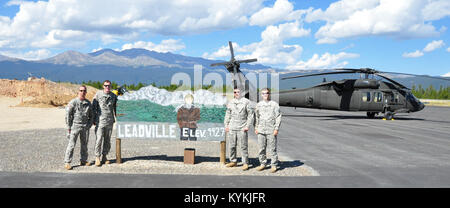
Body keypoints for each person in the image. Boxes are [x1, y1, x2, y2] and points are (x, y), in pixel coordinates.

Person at [64, 85, 94, 170]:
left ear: (86, 92)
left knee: (84, 144)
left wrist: (89, 125)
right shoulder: (73, 102)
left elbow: (91, 116)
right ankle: (67, 162)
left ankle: (83, 160)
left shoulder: (88, 103)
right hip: (75, 126)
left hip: (85, 127)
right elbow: (68, 115)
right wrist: (69, 127)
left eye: (84, 91)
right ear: (78, 92)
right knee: (71, 145)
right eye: (81, 91)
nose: (82, 92)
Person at [224, 88, 253, 171]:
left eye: (238, 92)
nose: (236, 93)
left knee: (243, 146)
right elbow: (227, 114)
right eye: (235, 92)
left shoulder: (246, 102)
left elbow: (250, 115)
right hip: (232, 126)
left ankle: (245, 163)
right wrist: (226, 125)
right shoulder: (231, 102)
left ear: (242, 93)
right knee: (232, 146)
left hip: (242, 127)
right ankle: (233, 161)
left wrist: (247, 126)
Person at [254, 88, 282, 173]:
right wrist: (256, 127)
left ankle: (274, 165)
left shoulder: (274, 104)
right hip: (261, 130)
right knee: (261, 148)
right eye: (263, 93)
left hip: (271, 130)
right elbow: (256, 117)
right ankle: (263, 163)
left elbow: (278, 117)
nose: (265, 95)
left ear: (269, 94)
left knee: (272, 149)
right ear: (261, 95)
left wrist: (276, 128)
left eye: (266, 93)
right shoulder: (258, 105)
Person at [92, 80, 117, 166]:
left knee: (107, 140)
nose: (107, 87)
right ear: (103, 86)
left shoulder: (113, 96)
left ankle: (104, 156)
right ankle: (97, 157)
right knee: (99, 139)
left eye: (109, 86)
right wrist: (93, 119)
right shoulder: (98, 94)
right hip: (100, 121)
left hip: (109, 121)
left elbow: (116, 108)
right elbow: (93, 107)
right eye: (106, 85)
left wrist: (119, 118)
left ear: (111, 86)